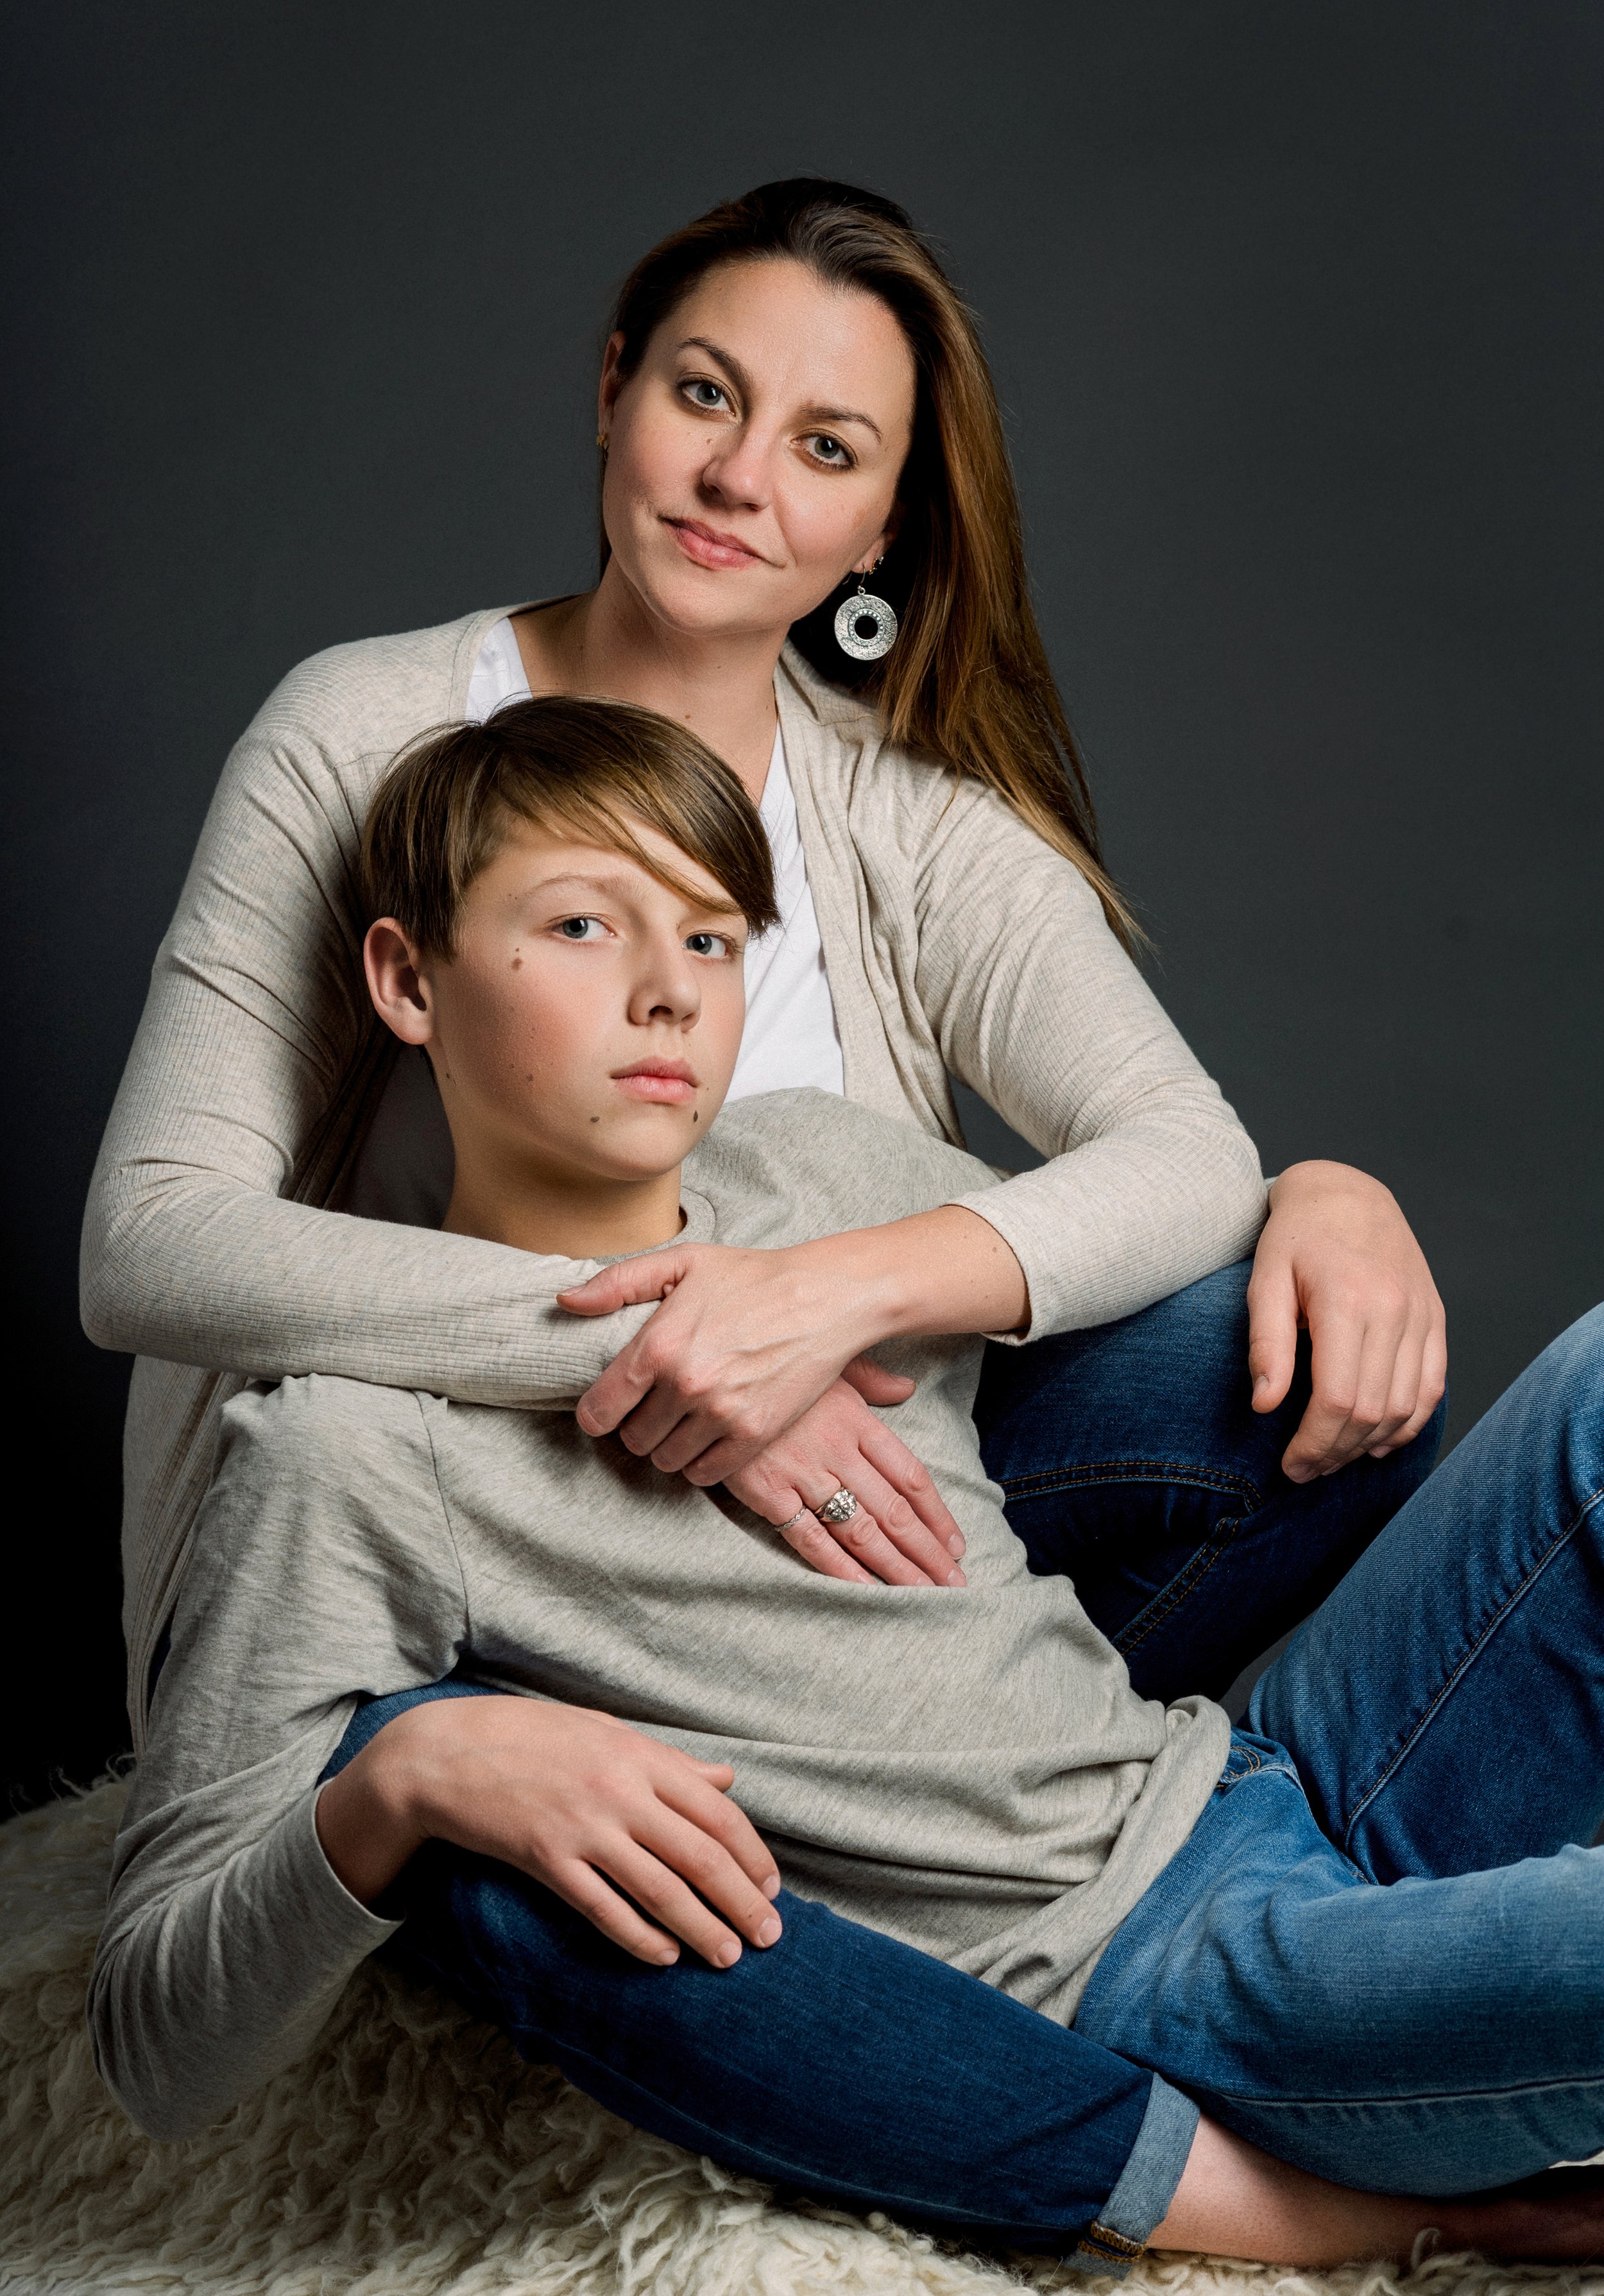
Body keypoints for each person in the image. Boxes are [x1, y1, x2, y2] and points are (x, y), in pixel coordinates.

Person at [81, 178, 1444, 2248]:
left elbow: (1178, 1155)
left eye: (827, 448)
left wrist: (823, 1301)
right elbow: (152, 1244)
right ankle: (1230, 2195)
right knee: (493, 1812)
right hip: (445, 1579)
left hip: (807, 1581)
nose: (738, 479)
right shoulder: (369, 729)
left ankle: (955, 1863)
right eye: (702, 395)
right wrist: (665, 1335)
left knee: (1296, 1336)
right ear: (612, 389)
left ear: (885, 530)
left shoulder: (906, 819)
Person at [92, 702, 1604, 2273]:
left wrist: (1320, 1188)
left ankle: (1442, 1975)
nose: (668, 988)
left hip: (1252, 1775)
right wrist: (395, 1784)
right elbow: (156, 2043)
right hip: (1144, 1969)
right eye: (583, 923)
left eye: (710, 933)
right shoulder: (343, 1448)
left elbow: (1166, 1237)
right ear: (409, 979)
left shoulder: (813, 1171)